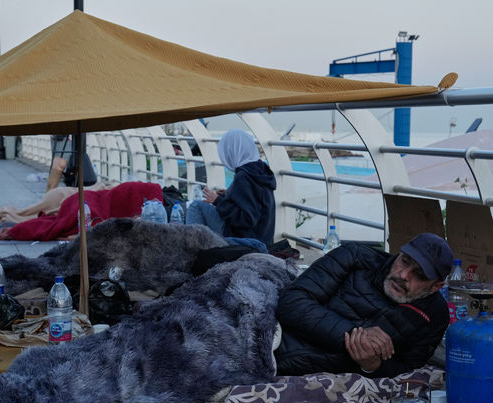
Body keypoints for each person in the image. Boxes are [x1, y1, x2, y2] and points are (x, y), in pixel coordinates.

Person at [274, 233, 454, 378]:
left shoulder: (434, 314)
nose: (403, 275)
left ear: (435, 287)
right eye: (404, 261)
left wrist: (373, 366)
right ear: (399, 253)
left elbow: (407, 369)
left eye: (419, 275)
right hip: (279, 351)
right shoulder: (355, 256)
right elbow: (291, 302)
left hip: (330, 379)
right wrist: (357, 335)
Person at [185, 129, 277, 246]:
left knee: (196, 206)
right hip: (263, 239)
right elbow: (255, 203)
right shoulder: (261, 170)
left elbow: (246, 219)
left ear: (232, 150)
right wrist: (229, 195)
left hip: (243, 239)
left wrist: (218, 201)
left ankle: (191, 249)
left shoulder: (243, 176)